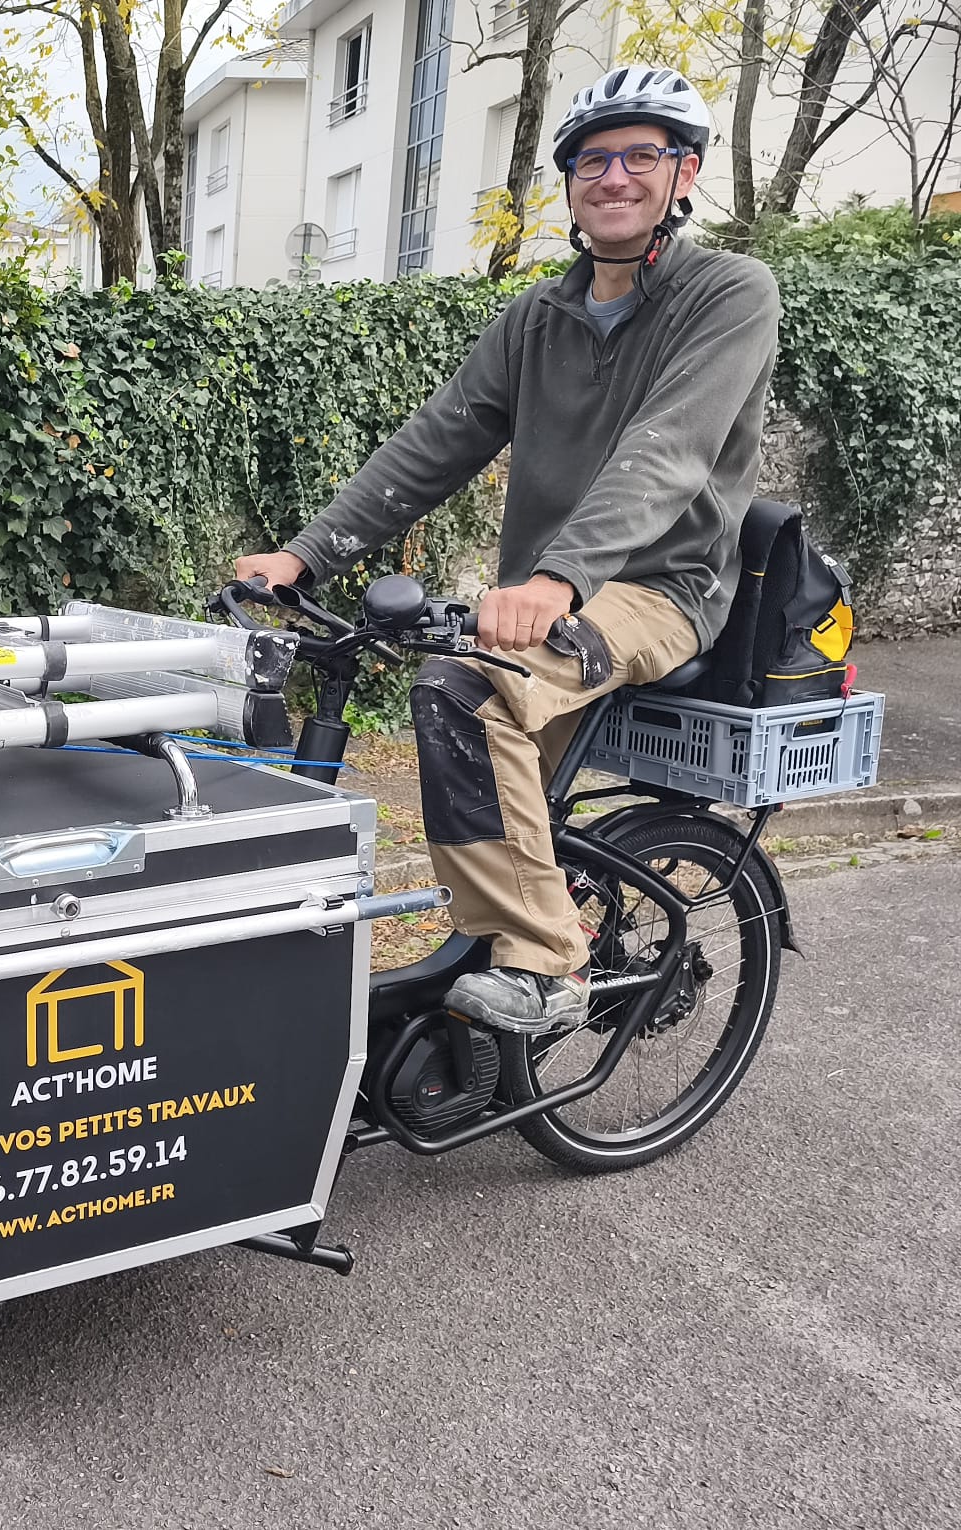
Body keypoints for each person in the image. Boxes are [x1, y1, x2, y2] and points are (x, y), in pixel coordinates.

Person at [233, 66, 781, 1035]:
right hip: (548, 595)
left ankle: (546, 962)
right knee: (464, 718)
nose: (614, 177)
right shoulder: (536, 318)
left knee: (464, 688)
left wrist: (558, 579)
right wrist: (305, 557)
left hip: (658, 589)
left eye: (641, 156)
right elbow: (436, 440)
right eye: (592, 160)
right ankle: (519, 932)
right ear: (570, 184)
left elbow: (668, 452)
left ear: (683, 175)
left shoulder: (730, 293)